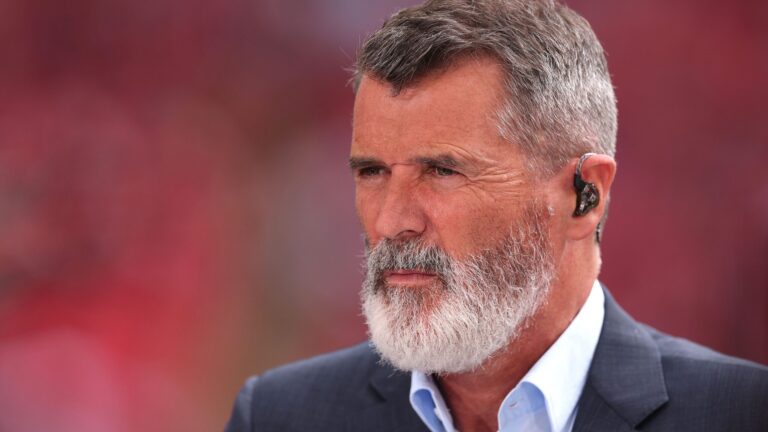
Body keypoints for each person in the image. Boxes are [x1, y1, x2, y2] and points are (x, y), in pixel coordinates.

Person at [225, 0, 768, 431]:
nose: (391, 221)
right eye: (372, 171)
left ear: (584, 196)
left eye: (442, 171)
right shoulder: (280, 416)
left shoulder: (741, 412)